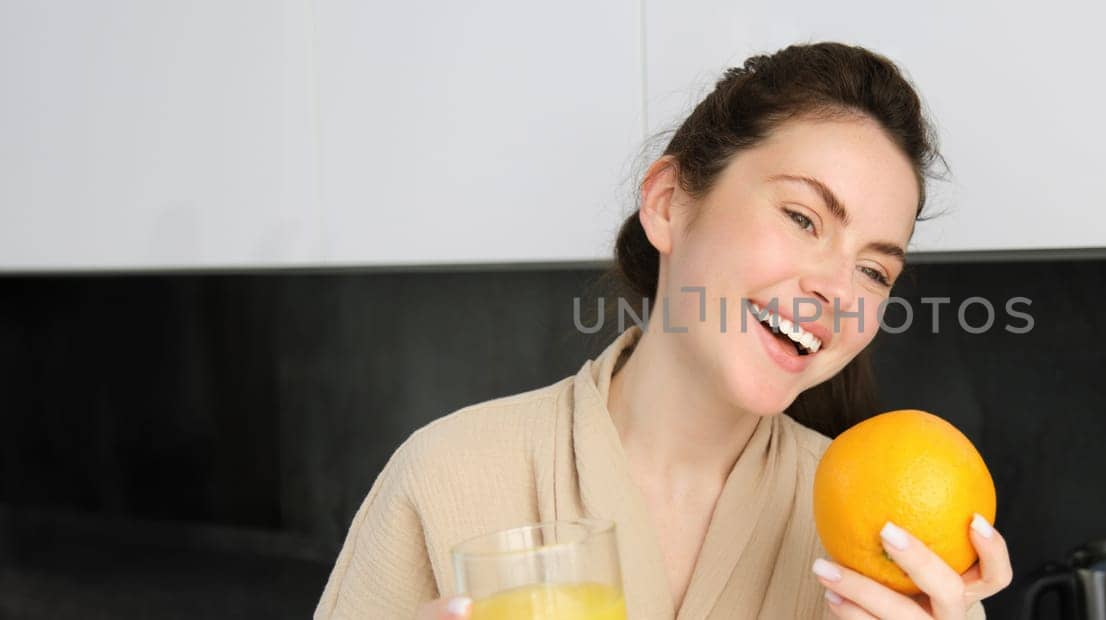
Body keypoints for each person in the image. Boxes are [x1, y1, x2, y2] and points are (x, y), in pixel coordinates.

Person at [313, 42, 1012, 620]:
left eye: (873, 272)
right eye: (803, 219)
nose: (835, 290)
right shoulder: (448, 477)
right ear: (669, 203)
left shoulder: (885, 554)